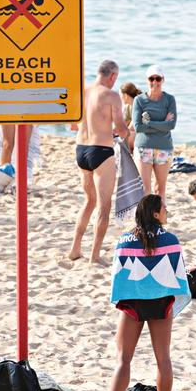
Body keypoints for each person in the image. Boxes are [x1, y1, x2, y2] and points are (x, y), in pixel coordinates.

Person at [104, 194, 190, 391]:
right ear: (155, 213)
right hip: (161, 303)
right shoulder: (171, 240)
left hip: (133, 302)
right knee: (163, 358)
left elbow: (118, 274)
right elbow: (177, 275)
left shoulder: (124, 239)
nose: (167, 211)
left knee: (123, 359)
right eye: (164, 208)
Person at [68, 60, 129, 263]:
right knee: (104, 206)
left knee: (88, 201)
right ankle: (94, 255)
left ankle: (75, 248)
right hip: (101, 151)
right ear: (112, 76)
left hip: (81, 150)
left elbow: (73, 125)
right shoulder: (112, 96)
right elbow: (120, 128)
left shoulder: (82, 91)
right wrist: (125, 131)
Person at [132, 65, 177, 203]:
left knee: (160, 189)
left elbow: (171, 125)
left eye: (158, 79)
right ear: (147, 80)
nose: (155, 82)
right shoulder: (139, 100)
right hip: (143, 148)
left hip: (164, 148)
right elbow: (138, 127)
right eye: (152, 79)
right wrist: (162, 123)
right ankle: (146, 222)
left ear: (163, 80)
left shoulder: (169, 99)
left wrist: (149, 123)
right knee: (145, 189)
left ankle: (160, 219)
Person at [120, 82, 141, 152]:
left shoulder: (139, 104)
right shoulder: (128, 106)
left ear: (125, 95)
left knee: (126, 136)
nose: (120, 98)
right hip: (137, 135)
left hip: (147, 136)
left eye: (121, 95)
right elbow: (123, 124)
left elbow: (132, 127)